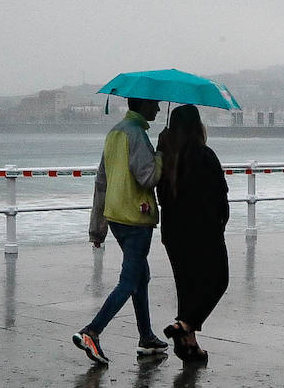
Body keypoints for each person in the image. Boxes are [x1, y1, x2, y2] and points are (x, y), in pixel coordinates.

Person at [73, 97, 166, 365]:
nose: (158, 109)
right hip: (136, 216)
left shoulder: (114, 132)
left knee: (141, 275)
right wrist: (160, 155)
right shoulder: (136, 134)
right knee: (129, 280)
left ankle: (146, 336)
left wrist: (98, 229)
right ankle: (91, 331)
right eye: (155, 105)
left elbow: (101, 181)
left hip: (115, 216)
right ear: (143, 105)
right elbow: (148, 177)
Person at [155, 104, 229, 364]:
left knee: (186, 287)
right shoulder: (205, 155)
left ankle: (189, 344)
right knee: (219, 281)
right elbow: (221, 194)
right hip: (204, 230)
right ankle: (185, 325)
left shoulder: (165, 158)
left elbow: (161, 196)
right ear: (197, 126)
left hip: (173, 232)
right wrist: (221, 222)